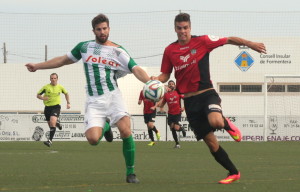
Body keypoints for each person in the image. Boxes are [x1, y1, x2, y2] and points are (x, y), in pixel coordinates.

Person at [26, 13, 151, 184]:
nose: (102, 32)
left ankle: (131, 172)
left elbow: (135, 68)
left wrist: (151, 82)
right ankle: (106, 126)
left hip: (114, 97)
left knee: (126, 130)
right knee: (92, 139)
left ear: (109, 28)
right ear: (93, 31)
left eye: (105, 28)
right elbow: (63, 60)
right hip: (94, 100)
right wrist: (37, 66)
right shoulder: (84, 47)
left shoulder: (118, 51)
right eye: (99, 29)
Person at [152, 13, 266, 184]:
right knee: (212, 144)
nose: (182, 31)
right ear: (174, 29)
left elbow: (228, 39)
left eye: (185, 28)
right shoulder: (170, 50)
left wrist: (250, 44)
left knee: (217, 122)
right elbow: (166, 74)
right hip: (190, 102)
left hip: (206, 94)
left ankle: (226, 124)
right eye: (179, 28)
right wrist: (155, 80)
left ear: (190, 27)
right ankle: (233, 172)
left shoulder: (203, 41)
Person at [37, 73, 70, 147]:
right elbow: (38, 95)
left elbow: (66, 93)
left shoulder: (60, 87)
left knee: (52, 121)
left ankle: (50, 141)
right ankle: (57, 123)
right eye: (52, 78)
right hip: (47, 108)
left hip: (56, 107)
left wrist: (68, 103)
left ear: (57, 79)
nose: (53, 80)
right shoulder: (46, 87)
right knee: (51, 125)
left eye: (55, 78)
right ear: (50, 79)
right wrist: (43, 98)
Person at [159, 80, 186, 149]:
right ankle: (177, 144)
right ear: (168, 86)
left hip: (177, 113)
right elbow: (162, 104)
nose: (171, 85)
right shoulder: (166, 95)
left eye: (172, 84)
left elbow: (187, 100)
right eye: (170, 84)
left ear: (174, 85)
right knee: (172, 128)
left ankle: (182, 129)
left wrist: (183, 108)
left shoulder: (178, 92)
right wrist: (161, 108)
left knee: (176, 128)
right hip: (170, 113)